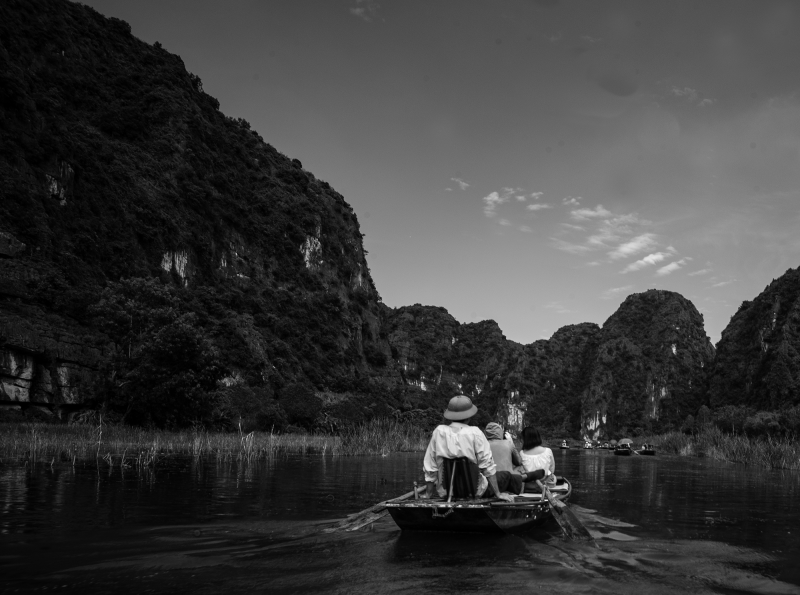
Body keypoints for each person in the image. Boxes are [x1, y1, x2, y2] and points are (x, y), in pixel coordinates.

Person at [422, 396, 515, 501]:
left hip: (446, 492)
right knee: (506, 475)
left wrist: (428, 494)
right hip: (476, 492)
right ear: (469, 416)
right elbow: (487, 467)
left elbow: (430, 467)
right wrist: (498, 494)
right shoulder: (475, 433)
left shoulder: (438, 432)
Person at [485, 422, 546, 488]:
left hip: (489, 479)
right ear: (500, 433)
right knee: (521, 467)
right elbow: (519, 461)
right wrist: (511, 444)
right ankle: (520, 489)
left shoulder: (482, 445)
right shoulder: (508, 443)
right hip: (506, 479)